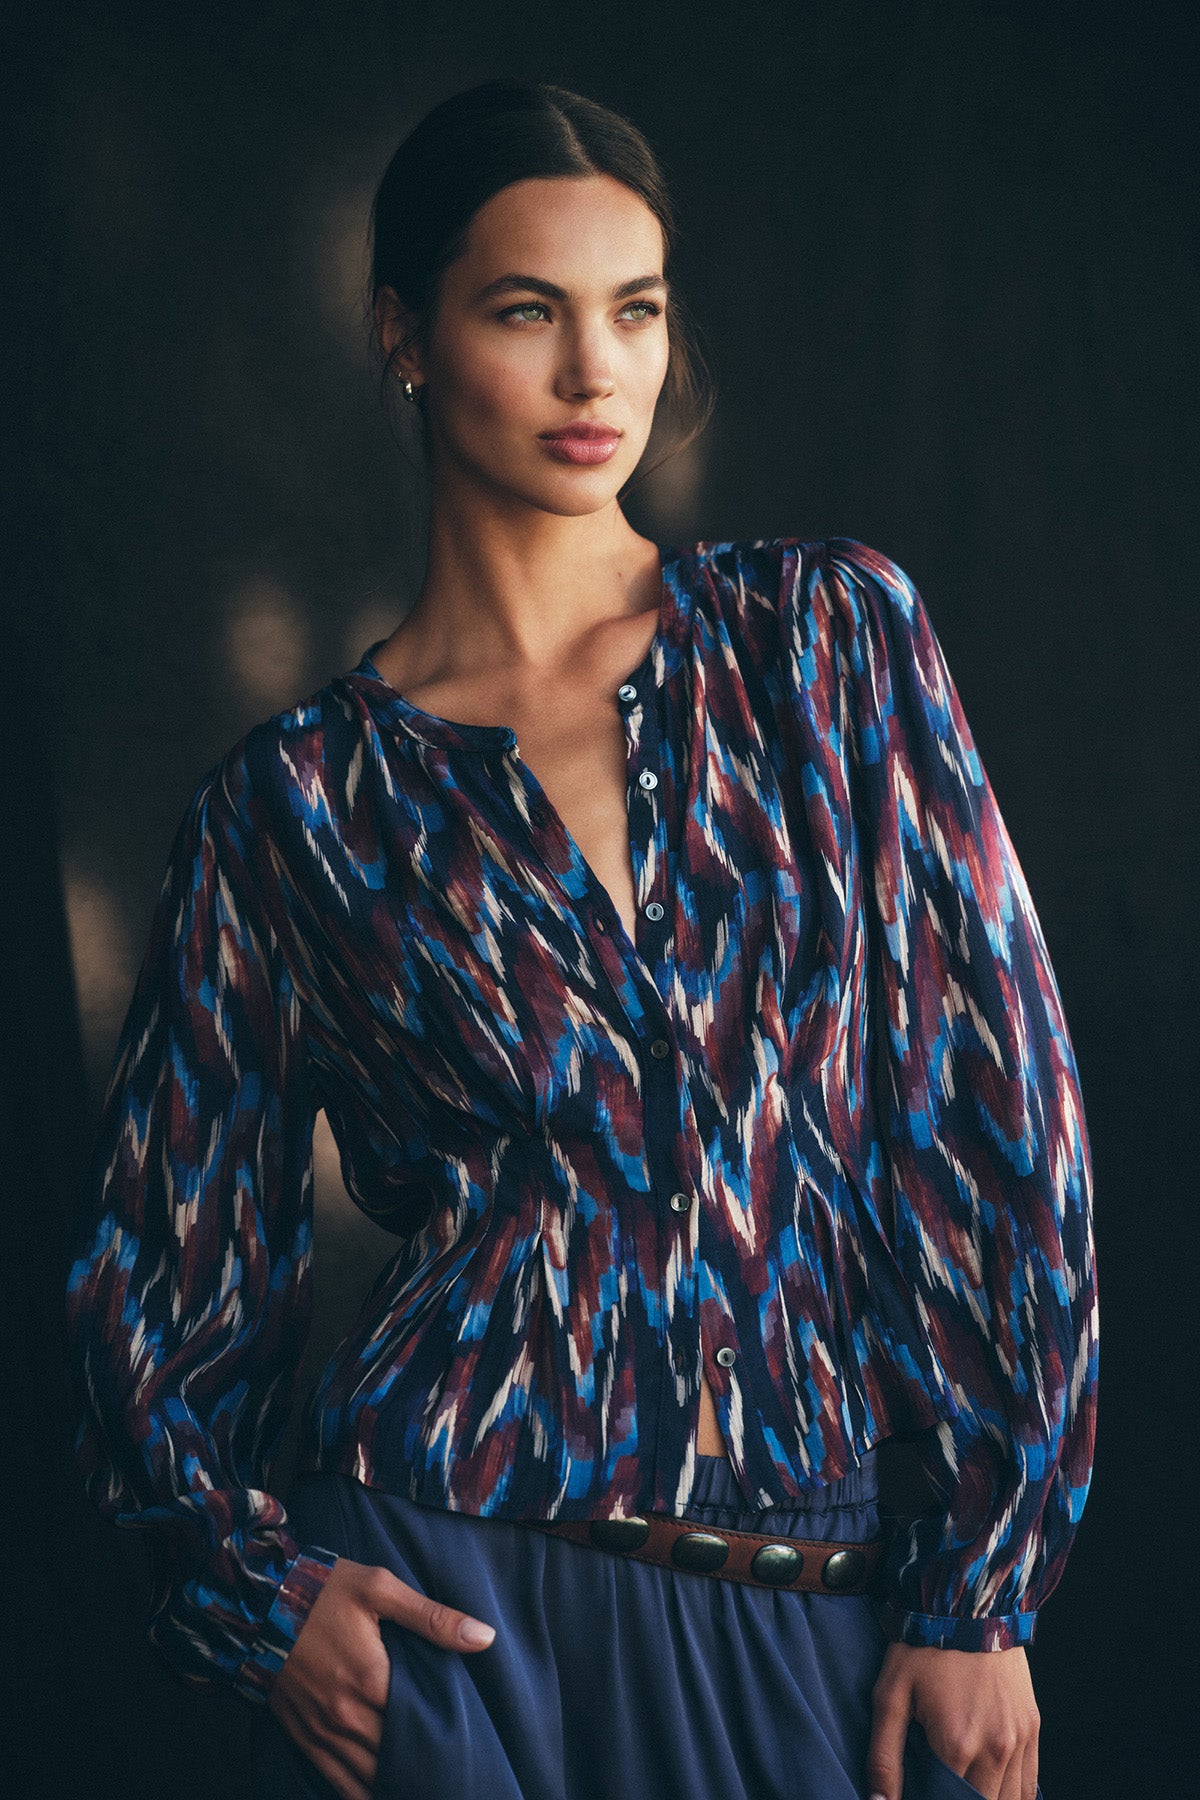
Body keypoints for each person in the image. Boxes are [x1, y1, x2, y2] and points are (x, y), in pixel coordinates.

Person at [64, 78, 1097, 1800]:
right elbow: (158, 1280)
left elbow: (999, 1120)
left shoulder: (826, 644)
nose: (593, 372)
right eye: (525, 311)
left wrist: (984, 1592)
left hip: (818, 1594)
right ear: (403, 335)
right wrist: (260, 1596)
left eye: (634, 310)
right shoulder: (297, 806)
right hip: (449, 1601)